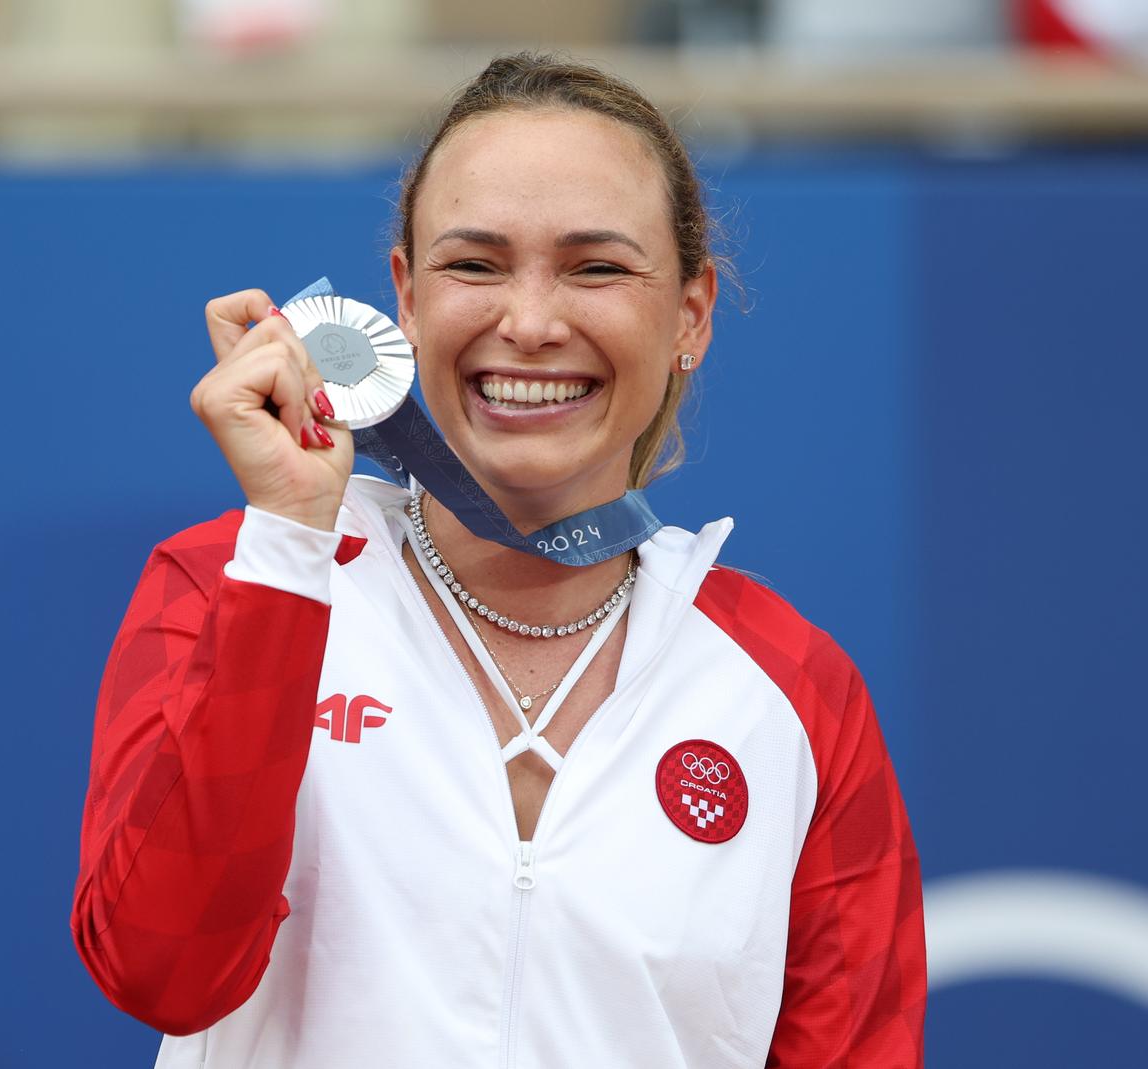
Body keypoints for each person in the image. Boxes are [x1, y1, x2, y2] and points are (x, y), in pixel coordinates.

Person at [71, 52, 926, 1068]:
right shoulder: (235, 580)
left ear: (690, 314)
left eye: (595, 267)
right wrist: (292, 544)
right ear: (407, 295)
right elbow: (161, 970)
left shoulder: (792, 690)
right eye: (474, 265)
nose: (527, 322)